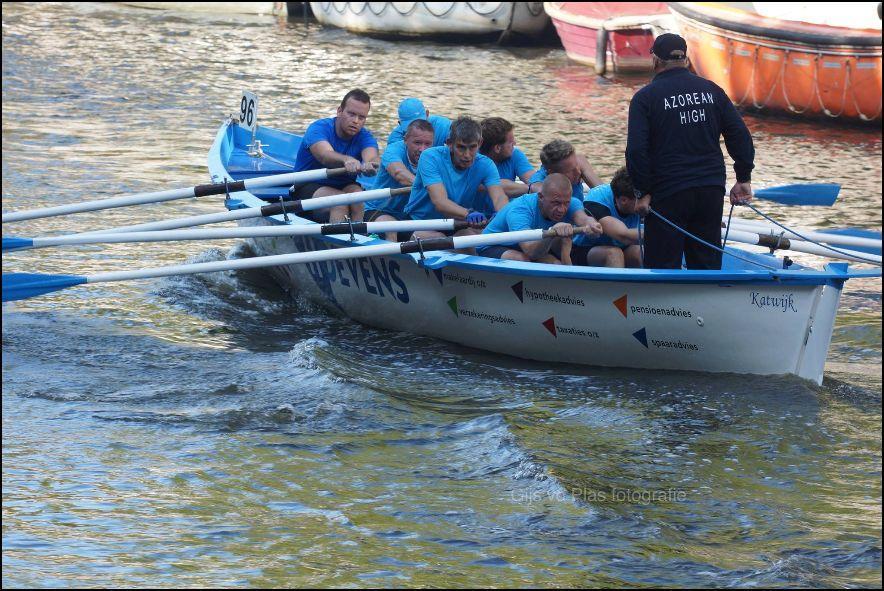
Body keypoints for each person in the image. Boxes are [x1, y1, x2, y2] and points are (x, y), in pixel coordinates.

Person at [626, 33, 755, 270]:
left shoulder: (645, 98)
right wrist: (743, 177)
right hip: (710, 189)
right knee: (706, 261)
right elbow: (739, 134)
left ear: (655, 59)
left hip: (668, 193)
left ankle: (666, 308)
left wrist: (642, 192)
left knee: (663, 265)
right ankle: (707, 305)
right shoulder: (712, 91)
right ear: (685, 59)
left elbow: (636, 151)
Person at [404, 116, 507, 244]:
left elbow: (499, 198)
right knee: (439, 239)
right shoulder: (430, 157)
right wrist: (469, 213)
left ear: (480, 143)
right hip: (418, 224)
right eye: (461, 147)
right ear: (450, 144)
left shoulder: (486, 164)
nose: (467, 155)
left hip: (456, 223)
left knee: (477, 237)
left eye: (472, 147)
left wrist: (504, 213)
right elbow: (440, 202)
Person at [291, 88, 381, 223]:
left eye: (361, 117)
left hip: (344, 185)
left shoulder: (365, 136)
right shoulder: (318, 128)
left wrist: (372, 164)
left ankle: (359, 238)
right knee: (339, 203)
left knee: (359, 199)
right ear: (339, 111)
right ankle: (338, 243)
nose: (356, 121)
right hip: (308, 184)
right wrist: (346, 160)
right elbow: (325, 155)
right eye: (351, 114)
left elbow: (372, 157)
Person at [477, 173, 602, 264]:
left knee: (556, 265)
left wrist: (592, 224)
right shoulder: (521, 210)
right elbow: (530, 251)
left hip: (528, 246)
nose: (562, 209)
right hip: (490, 246)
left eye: (566, 203)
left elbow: (583, 219)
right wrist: (552, 232)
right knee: (522, 260)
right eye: (556, 203)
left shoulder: (571, 203)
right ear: (541, 197)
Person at [363, 119, 435, 241]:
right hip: (378, 211)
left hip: (407, 217)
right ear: (405, 140)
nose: (422, 149)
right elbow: (399, 174)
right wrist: (432, 188)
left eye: (427, 144)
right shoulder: (394, 150)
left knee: (438, 238)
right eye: (417, 143)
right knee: (390, 228)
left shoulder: (434, 156)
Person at [570, 167, 643, 268]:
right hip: (583, 249)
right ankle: (617, 284)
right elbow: (624, 236)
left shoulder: (639, 196)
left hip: (621, 247)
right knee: (613, 254)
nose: (645, 203)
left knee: (640, 252)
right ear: (624, 200)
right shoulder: (596, 201)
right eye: (640, 199)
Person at [479, 117, 535, 198]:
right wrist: (530, 189)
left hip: (505, 208)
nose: (515, 143)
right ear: (497, 148)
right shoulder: (472, 158)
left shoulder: (515, 154)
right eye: (511, 142)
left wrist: (535, 185)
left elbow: (534, 180)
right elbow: (487, 184)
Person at [528, 139, 603, 200]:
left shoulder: (576, 162)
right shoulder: (538, 185)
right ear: (552, 172)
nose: (578, 172)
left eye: (577, 166)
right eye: (570, 171)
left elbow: (604, 192)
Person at [388, 97, 452, 148]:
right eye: (411, 125)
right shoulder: (395, 139)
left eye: (420, 122)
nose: (416, 127)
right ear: (400, 124)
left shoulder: (443, 126)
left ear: (427, 114)